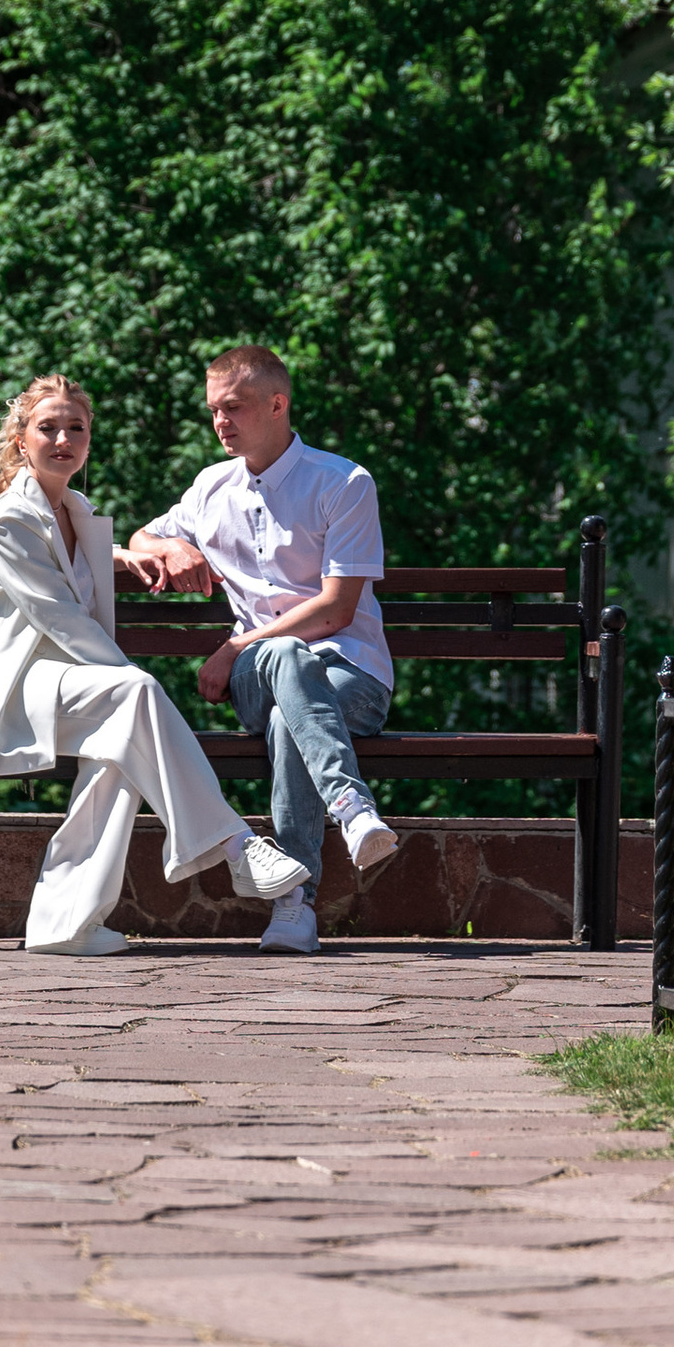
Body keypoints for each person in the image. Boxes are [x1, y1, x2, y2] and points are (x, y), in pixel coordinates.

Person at [0, 375, 310, 957]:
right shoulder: (10, 520)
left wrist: (128, 553)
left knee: (124, 739)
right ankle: (234, 845)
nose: (62, 438)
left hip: (66, 687)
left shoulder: (72, 511)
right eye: (47, 427)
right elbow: (64, 623)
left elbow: (76, 564)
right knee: (133, 699)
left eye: (75, 427)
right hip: (13, 692)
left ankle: (63, 924)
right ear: (21, 439)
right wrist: (129, 680)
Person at [125, 344, 397, 960]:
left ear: (277, 404)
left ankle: (293, 904)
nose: (221, 423)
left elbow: (336, 611)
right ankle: (351, 808)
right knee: (285, 664)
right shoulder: (209, 487)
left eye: (235, 408)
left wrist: (235, 646)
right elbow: (143, 535)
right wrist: (171, 550)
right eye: (214, 411)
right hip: (259, 675)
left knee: (287, 705)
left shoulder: (344, 482)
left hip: (351, 675)